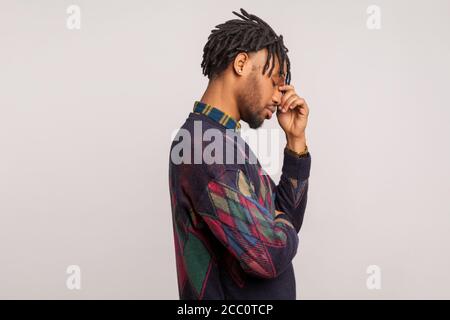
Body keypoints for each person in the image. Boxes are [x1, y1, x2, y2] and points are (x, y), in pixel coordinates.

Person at [168, 8, 311, 299]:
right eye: (274, 81)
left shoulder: (222, 140)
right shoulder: (203, 148)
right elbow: (269, 255)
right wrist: (277, 223)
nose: (278, 96)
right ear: (242, 63)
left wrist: (296, 140)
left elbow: (285, 225)